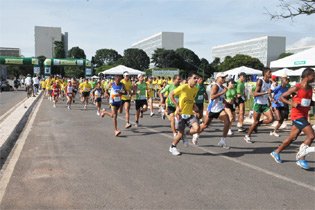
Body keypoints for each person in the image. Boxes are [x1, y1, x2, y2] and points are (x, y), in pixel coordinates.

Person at [270, 68, 315, 170]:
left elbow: (309, 101)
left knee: (292, 138)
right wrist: (292, 103)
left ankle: (276, 152)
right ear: (307, 76)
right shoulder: (297, 87)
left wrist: (312, 103)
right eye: (313, 75)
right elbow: (281, 97)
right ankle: (301, 158)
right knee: (311, 136)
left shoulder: (310, 88)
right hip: (297, 115)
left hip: (303, 114)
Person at [194, 72, 231, 149]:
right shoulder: (215, 86)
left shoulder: (222, 87)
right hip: (212, 109)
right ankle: (196, 134)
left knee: (227, 121)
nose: (224, 79)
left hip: (220, 109)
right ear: (217, 78)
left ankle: (222, 141)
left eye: (224, 77)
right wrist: (222, 92)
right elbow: (213, 96)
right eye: (222, 77)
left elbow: (221, 98)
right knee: (205, 125)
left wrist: (225, 102)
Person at [168, 73, 200, 155]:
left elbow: (191, 99)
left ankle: (185, 134)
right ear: (189, 79)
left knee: (197, 129)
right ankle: (172, 147)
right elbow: (171, 94)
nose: (196, 80)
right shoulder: (183, 87)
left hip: (190, 114)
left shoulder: (196, 89)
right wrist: (177, 106)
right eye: (194, 78)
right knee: (179, 134)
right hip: (180, 114)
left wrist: (194, 107)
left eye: (197, 78)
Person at [244, 68, 274, 143]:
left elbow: (268, 92)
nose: (271, 74)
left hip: (265, 104)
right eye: (269, 72)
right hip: (258, 104)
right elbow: (255, 94)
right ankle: (247, 136)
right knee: (255, 122)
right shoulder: (260, 81)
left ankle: (257, 124)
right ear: (265, 73)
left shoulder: (270, 82)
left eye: (271, 72)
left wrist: (270, 99)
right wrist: (266, 92)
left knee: (271, 119)